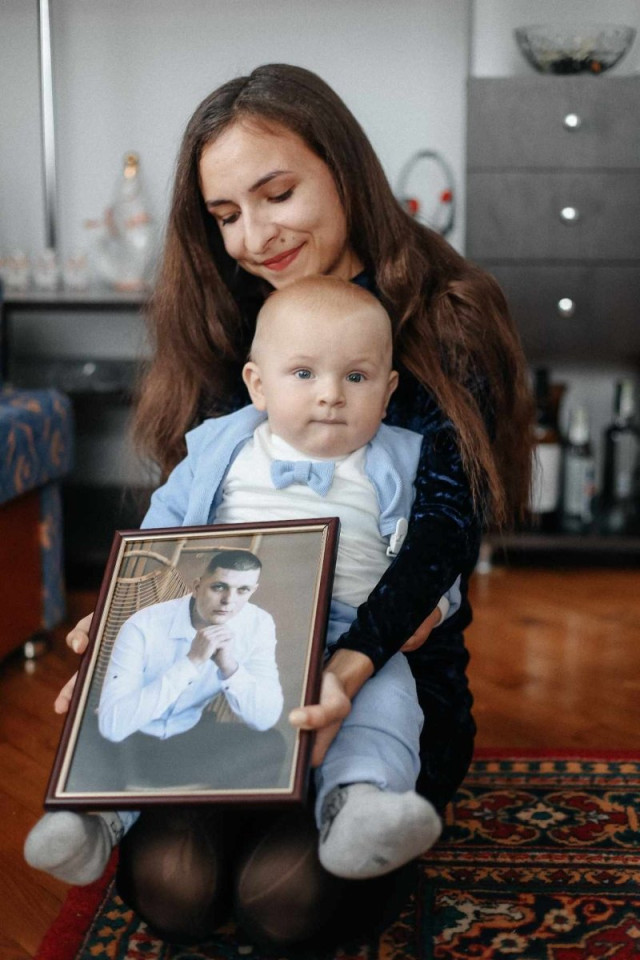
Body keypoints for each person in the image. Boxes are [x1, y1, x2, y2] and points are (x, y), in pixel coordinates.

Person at [25, 63, 533, 947]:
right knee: (176, 890)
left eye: (278, 193)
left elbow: (441, 542)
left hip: (379, 672)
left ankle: (364, 803)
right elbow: (187, 517)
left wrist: (349, 667)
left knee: (280, 902)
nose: (254, 237)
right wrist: (124, 632)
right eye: (226, 214)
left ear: (343, 168)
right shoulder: (230, 315)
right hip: (231, 670)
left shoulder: (446, 315)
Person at [97, 549, 285, 789]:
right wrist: (192, 661)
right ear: (197, 587)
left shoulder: (258, 624)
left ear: (253, 590)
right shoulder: (143, 625)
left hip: (188, 738)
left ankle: (206, 806)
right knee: (88, 761)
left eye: (243, 590)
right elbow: (113, 727)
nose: (229, 601)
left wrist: (229, 667)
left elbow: (264, 719)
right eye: (219, 587)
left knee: (270, 743)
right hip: (129, 741)